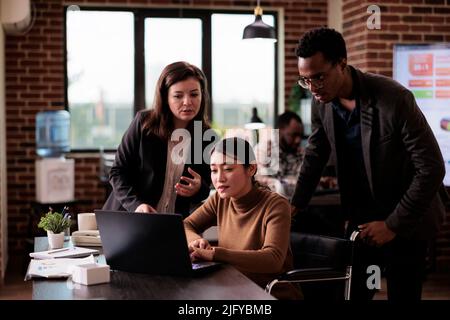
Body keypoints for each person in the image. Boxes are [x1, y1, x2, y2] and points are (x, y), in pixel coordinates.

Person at [290, 27, 448, 301]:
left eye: (319, 77)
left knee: (403, 293)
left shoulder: (394, 99)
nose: (313, 88)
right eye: (305, 80)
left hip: (406, 217)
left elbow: (432, 167)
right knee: (358, 291)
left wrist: (392, 225)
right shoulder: (321, 102)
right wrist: (294, 205)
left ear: (342, 63)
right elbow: (316, 153)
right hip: (363, 219)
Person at [184, 137, 302, 300]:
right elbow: (186, 225)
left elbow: (273, 259)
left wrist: (215, 254)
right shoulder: (220, 199)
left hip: (270, 294)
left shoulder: (276, 205)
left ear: (251, 169)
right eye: (214, 170)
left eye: (228, 169)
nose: (219, 178)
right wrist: (196, 240)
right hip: (233, 290)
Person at [103, 61, 215, 217]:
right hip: (130, 218)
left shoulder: (206, 137)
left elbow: (206, 187)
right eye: (178, 96)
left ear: (202, 95)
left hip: (173, 225)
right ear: (165, 97)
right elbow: (117, 172)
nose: (187, 102)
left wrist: (198, 189)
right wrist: (136, 205)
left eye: (194, 94)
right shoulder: (144, 123)